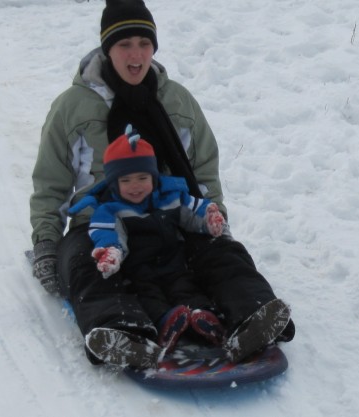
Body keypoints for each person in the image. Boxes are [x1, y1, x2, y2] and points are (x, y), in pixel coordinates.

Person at [29, 0, 295, 369]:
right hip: (101, 221)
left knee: (222, 256)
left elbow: (203, 171)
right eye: (124, 44)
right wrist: (46, 243)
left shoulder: (176, 101)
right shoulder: (73, 107)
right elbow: (51, 182)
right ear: (108, 49)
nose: (136, 55)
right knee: (90, 267)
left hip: (171, 213)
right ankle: (124, 334)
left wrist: (215, 218)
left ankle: (254, 316)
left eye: (144, 43)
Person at [68, 125, 226, 351]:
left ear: (154, 177)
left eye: (142, 177)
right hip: (139, 272)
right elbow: (108, 234)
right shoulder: (111, 209)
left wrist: (209, 218)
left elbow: (194, 211)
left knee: (188, 290)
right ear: (114, 183)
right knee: (148, 297)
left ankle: (204, 320)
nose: (135, 186)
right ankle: (166, 324)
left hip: (174, 265)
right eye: (126, 180)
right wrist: (111, 252)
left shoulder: (170, 197)